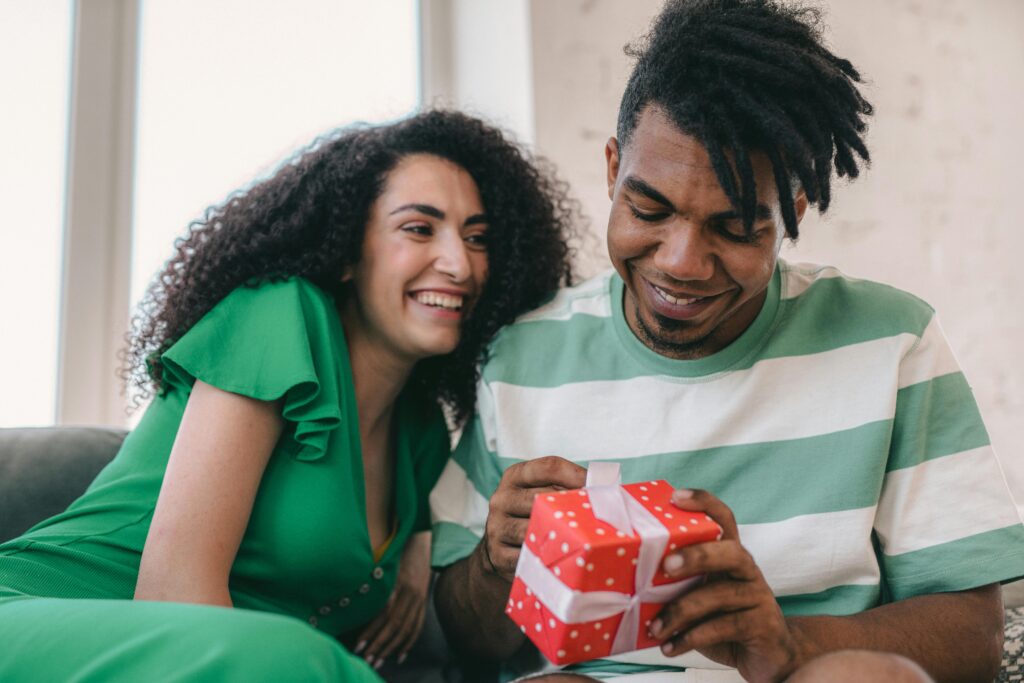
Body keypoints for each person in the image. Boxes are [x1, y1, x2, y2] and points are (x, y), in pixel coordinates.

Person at [429, 1, 1024, 682]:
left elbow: (976, 635)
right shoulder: (523, 360)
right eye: (649, 209)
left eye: (735, 227)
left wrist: (786, 643)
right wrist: (494, 563)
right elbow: (456, 637)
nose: (681, 263)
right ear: (613, 169)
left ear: (791, 213)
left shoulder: (891, 344)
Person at [0, 110, 576, 681]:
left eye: (477, 239)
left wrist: (417, 547)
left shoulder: (421, 432)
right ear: (347, 253)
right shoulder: (279, 315)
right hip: (39, 621)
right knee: (302, 656)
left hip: (220, 661)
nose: (460, 264)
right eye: (419, 229)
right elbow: (176, 592)